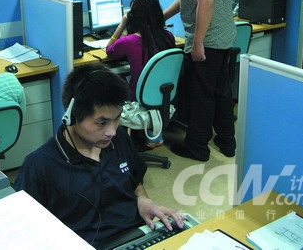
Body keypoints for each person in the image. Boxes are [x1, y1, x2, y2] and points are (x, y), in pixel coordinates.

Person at [13, 63, 184, 248]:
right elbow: (24, 231)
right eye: (101, 123)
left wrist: (143, 200)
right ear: (73, 115)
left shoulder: (119, 139)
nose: (112, 131)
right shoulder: (40, 165)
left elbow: (135, 182)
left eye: (117, 118)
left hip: (137, 236)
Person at [158, 0, 237, 162]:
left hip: (209, 38)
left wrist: (198, 41)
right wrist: (161, 17)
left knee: (201, 96)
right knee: (221, 91)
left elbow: (206, 1)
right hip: (224, 33)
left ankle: (197, 148)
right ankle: (227, 142)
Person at [105, 0, 176, 148]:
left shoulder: (128, 41)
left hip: (138, 95)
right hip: (163, 93)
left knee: (114, 82)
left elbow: (109, 50)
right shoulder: (168, 36)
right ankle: (153, 135)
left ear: (134, 16)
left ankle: (121, 143)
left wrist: (122, 24)